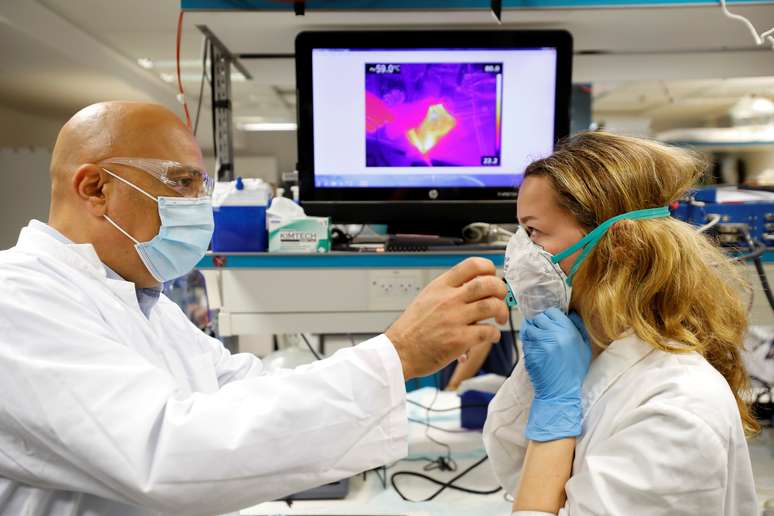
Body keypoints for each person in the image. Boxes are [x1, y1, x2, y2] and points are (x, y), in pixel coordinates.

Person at [0, 101, 509, 516]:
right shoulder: (18, 301)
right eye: (181, 183)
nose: (201, 205)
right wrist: (395, 355)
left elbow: (249, 386)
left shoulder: (141, 299)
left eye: (202, 185)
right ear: (95, 188)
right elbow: (167, 454)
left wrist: (397, 358)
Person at [484, 131, 759, 515]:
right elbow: (510, 460)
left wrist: (556, 405)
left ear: (619, 245)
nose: (519, 254)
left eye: (534, 233)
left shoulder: (678, 411)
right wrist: (542, 385)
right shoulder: (585, 350)